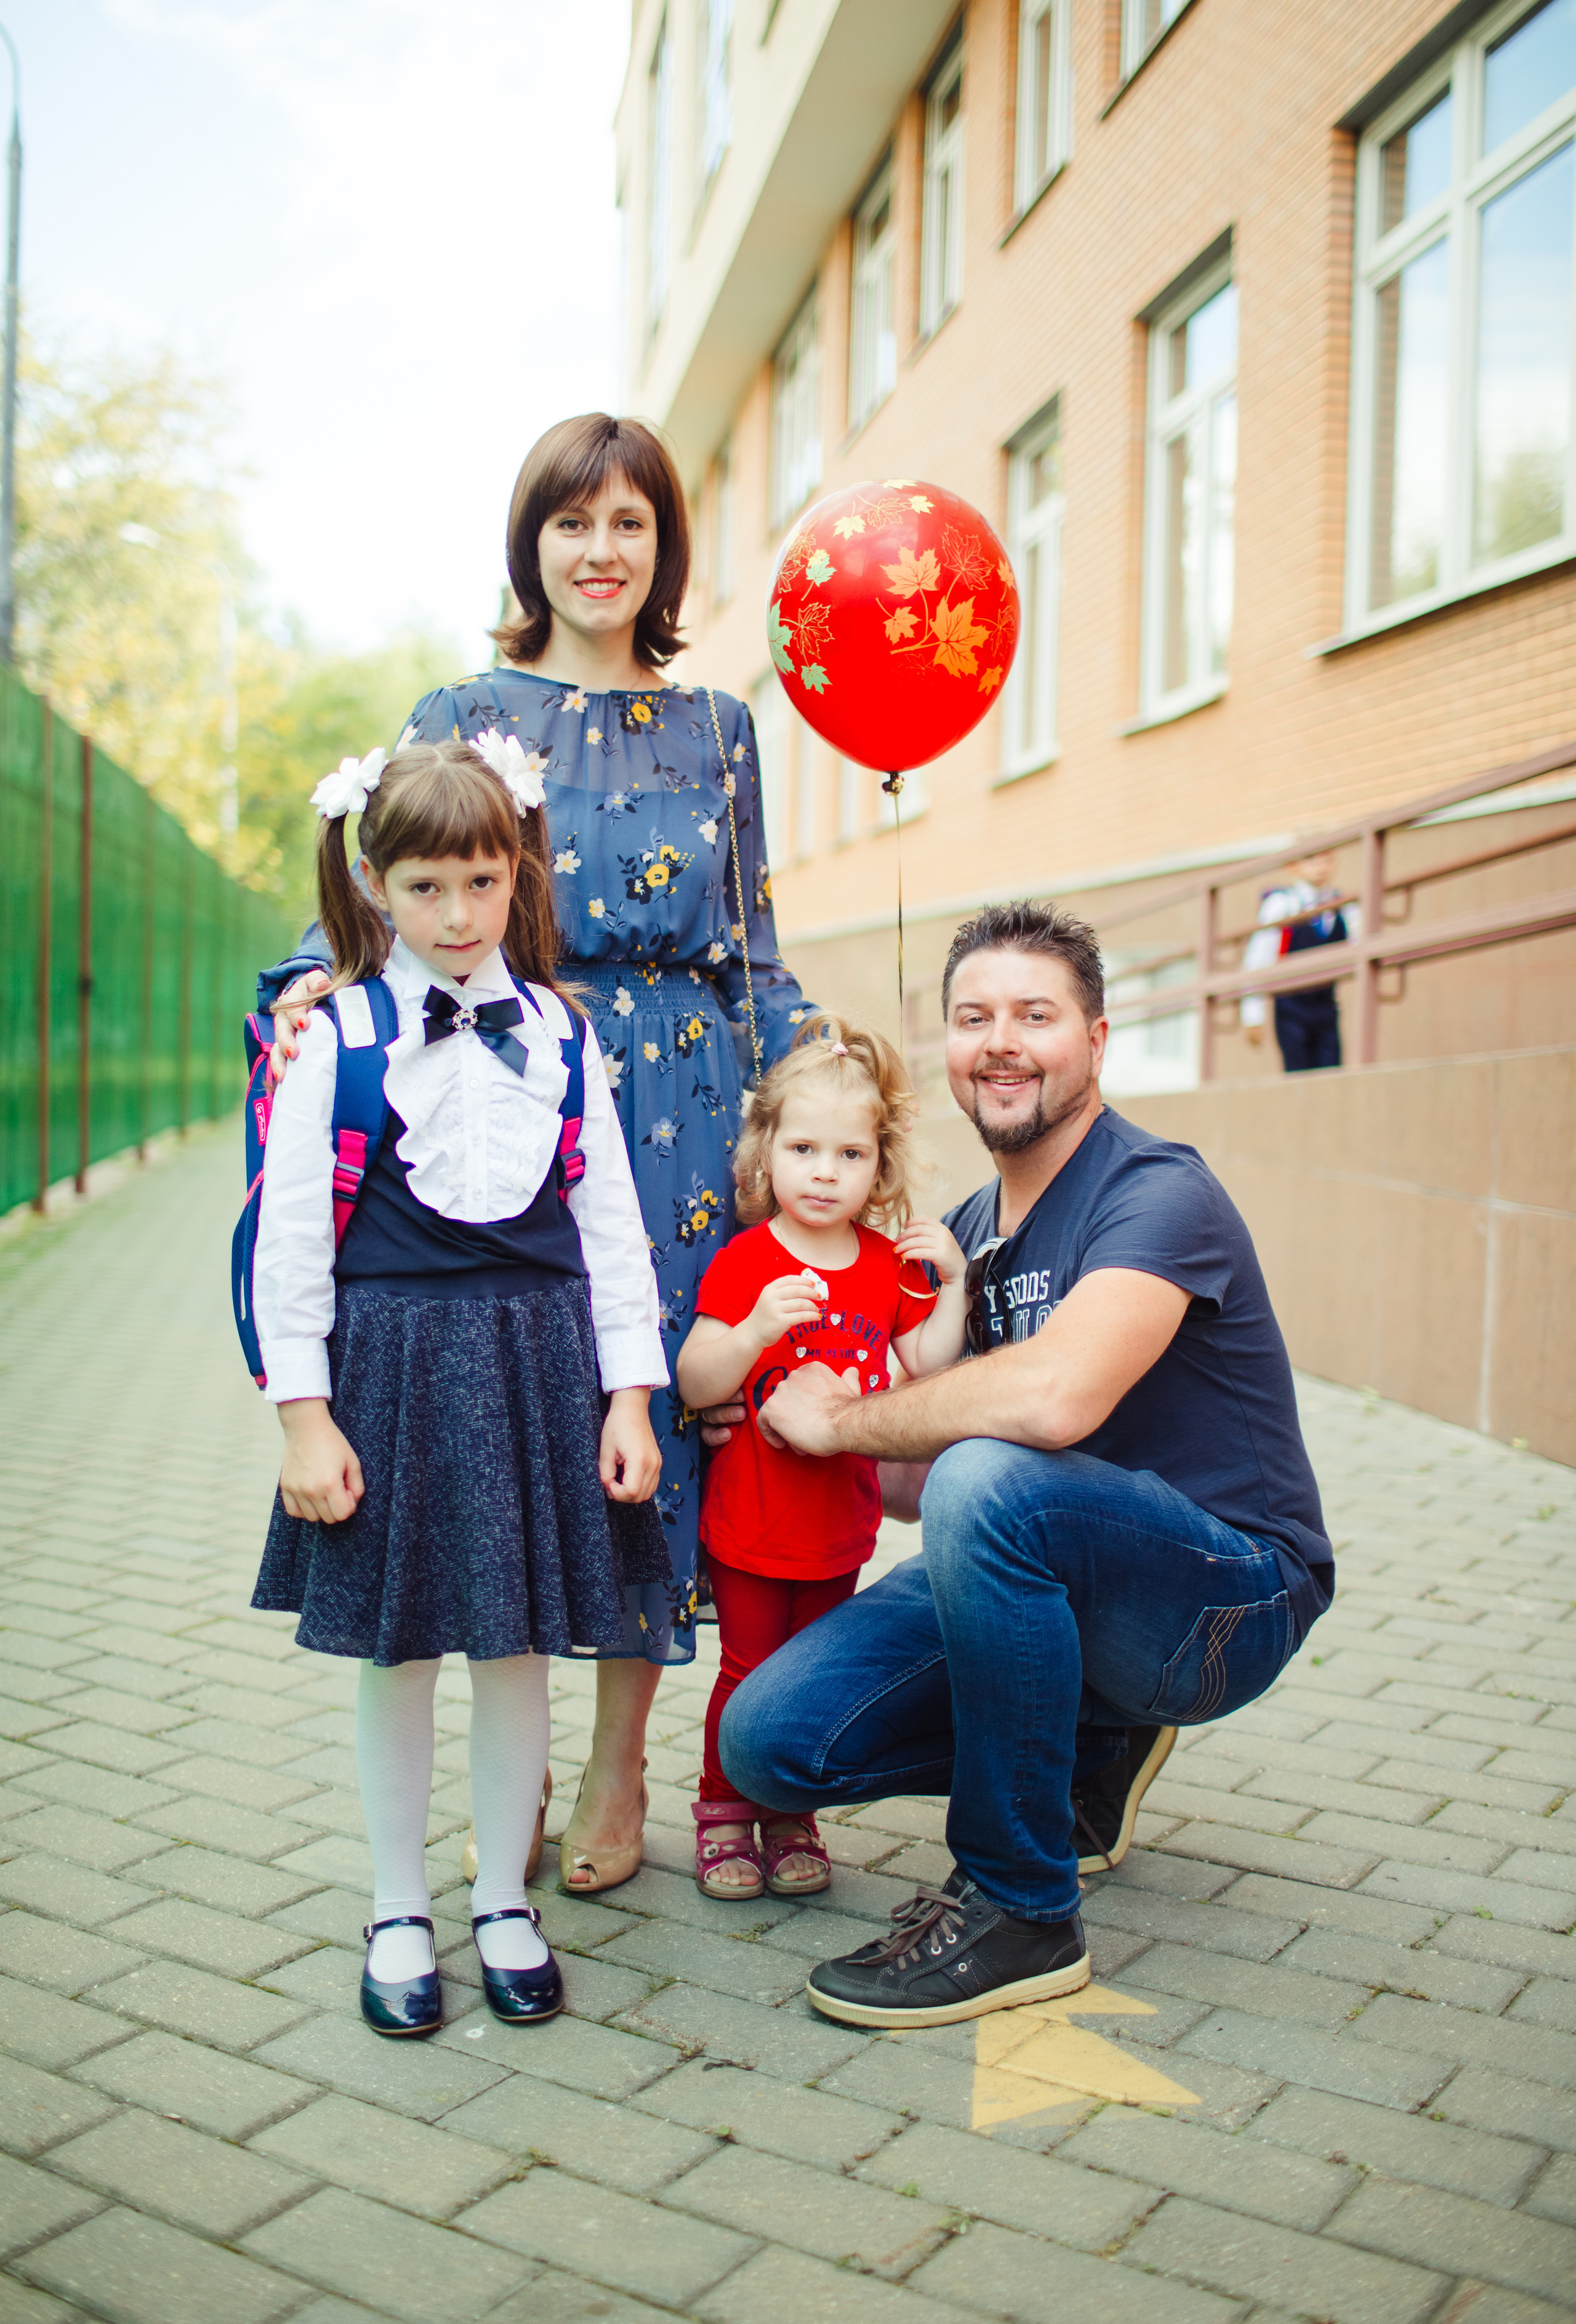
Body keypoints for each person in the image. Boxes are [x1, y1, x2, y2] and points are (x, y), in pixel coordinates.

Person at [257, 413, 816, 1896]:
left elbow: (752, 942)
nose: (601, 551)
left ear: (663, 548)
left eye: (630, 523)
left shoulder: (720, 729)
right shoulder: (465, 702)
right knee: (513, 1410)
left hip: (686, 1106)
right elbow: (403, 878)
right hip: (503, 1085)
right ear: (532, 545)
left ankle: (622, 1757)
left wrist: (814, 1089)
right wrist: (315, 983)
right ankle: (515, 1729)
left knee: (654, 1422)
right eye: (573, 523)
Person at [714, 900, 1335, 2030]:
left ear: (1095, 1040)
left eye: (1034, 1015)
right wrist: (778, 1410)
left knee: (990, 1482)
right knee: (769, 1742)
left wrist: (849, 1421)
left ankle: (1019, 1906)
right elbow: (908, 1491)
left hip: (1223, 1602)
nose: (1000, 1041)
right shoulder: (957, 1239)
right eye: (973, 1017)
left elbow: (1056, 1398)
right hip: (1049, 1572)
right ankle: (1090, 1747)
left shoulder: (1157, 1190)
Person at [250, 736, 668, 2037]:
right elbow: (293, 1243)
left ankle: (500, 1898)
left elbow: (610, 1222)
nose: (454, 915)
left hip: (538, 1364)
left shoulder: (558, 1031)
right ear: (376, 884)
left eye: (480, 884)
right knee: (398, 1651)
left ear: (515, 877)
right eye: (424, 887)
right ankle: (394, 1904)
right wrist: (303, 1415)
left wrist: (629, 1396)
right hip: (392, 1370)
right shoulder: (338, 1037)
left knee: (516, 1647)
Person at [675, 1015, 968, 1900]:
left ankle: (790, 1814)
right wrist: (758, 1328)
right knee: (745, 1671)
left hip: (841, 1530)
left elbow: (926, 1370)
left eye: (849, 1154)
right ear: (767, 1153)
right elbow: (694, 1379)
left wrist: (954, 1282)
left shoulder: (886, 1266)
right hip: (752, 1526)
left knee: (808, 1679)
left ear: (878, 1167)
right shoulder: (746, 1260)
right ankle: (724, 1812)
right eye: (804, 1148)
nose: (825, 1172)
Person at [1241, 849, 1355, 1071]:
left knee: (1331, 1073)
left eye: (1327, 860)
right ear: (1293, 866)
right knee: (1298, 1075)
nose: (1321, 867)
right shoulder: (1283, 904)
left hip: (1326, 1004)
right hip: (1291, 1006)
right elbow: (1258, 959)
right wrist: (1253, 1015)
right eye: (1311, 860)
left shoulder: (1343, 905)